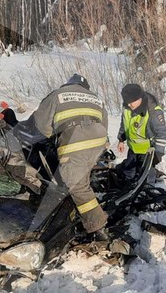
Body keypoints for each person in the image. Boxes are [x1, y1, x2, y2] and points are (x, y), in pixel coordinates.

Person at [27, 73, 110, 235]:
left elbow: (41, 126)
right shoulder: (96, 99)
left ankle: (98, 227)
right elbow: (104, 125)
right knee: (79, 176)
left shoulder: (58, 95)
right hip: (99, 140)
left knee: (77, 185)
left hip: (76, 140)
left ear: (68, 84)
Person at [116, 83, 166, 184]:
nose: (129, 105)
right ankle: (128, 190)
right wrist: (121, 140)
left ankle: (148, 191)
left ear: (139, 98)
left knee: (146, 176)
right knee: (128, 172)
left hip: (147, 151)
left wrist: (158, 153)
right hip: (133, 149)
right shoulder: (127, 108)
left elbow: (162, 133)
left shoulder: (153, 111)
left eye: (132, 102)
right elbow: (124, 124)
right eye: (127, 102)